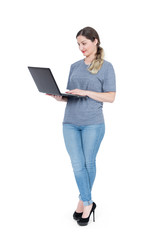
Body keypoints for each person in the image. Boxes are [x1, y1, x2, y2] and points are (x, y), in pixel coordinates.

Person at [47, 26, 116, 226]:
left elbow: (111, 97)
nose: (81, 47)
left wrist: (86, 92)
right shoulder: (75, 66)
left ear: (95, 41)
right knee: (77, 165)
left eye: (84, 43)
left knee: (88, 163)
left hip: (92, 123)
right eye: (78, 44)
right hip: (70, 122)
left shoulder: (106, 66)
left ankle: (83, 203)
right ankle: (87, 201)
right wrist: (59, 97)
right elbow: (72, 96)